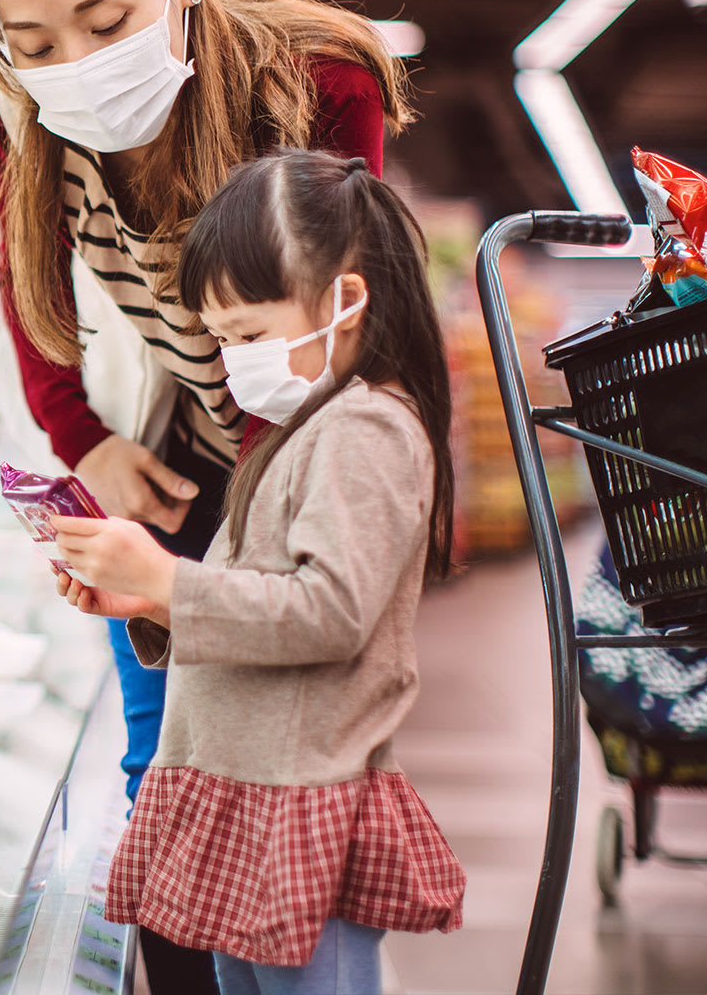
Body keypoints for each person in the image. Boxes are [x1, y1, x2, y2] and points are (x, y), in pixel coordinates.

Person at [0, 0, 412, 990]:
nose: (71, 64)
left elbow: (334, 342)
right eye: (34, 43)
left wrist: (229, 581)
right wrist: (87, 444)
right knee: (160, 767)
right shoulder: (7, 106)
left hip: (302, 440)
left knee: (279, 762)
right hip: (173, 449)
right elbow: (33, 288)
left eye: (107, 22)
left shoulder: (317, 84)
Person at [49, 150, 466, 995]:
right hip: (250, 797)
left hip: (299, 801)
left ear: (346, 302)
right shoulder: (299, 429)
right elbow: (260, 600)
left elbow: (328, 612)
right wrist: (149, 604)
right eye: (221, 337)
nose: (232, 361)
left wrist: (171, 580)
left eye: (247, 335)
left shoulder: (366, 430)